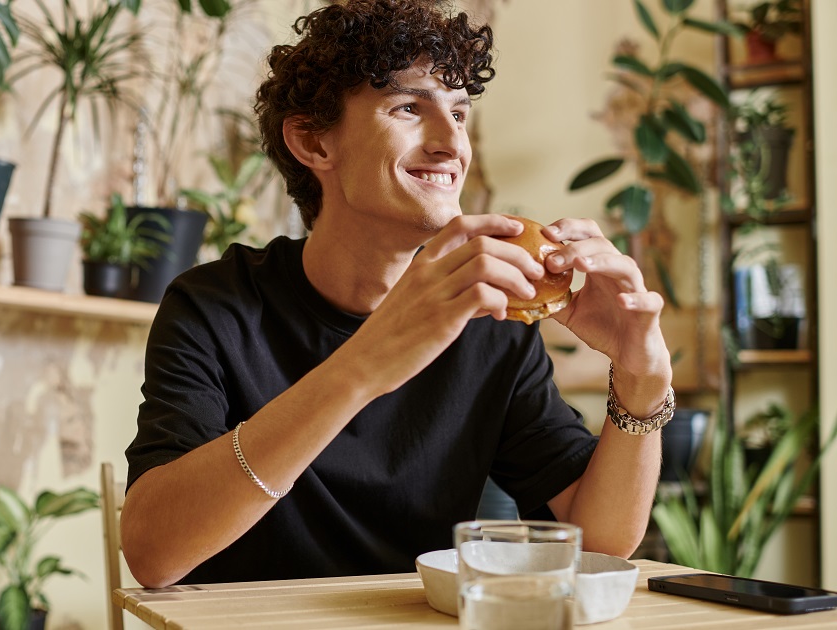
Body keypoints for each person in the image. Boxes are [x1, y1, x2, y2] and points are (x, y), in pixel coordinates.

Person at [121, 0, 673, 589]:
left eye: (459, 114)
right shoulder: (215, 307)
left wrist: (641, 381)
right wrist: (366, 364)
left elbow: (602, 541)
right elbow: (155, 555)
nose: (451, 144)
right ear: (313, 142)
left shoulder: (492, 323)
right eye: (409, 107)